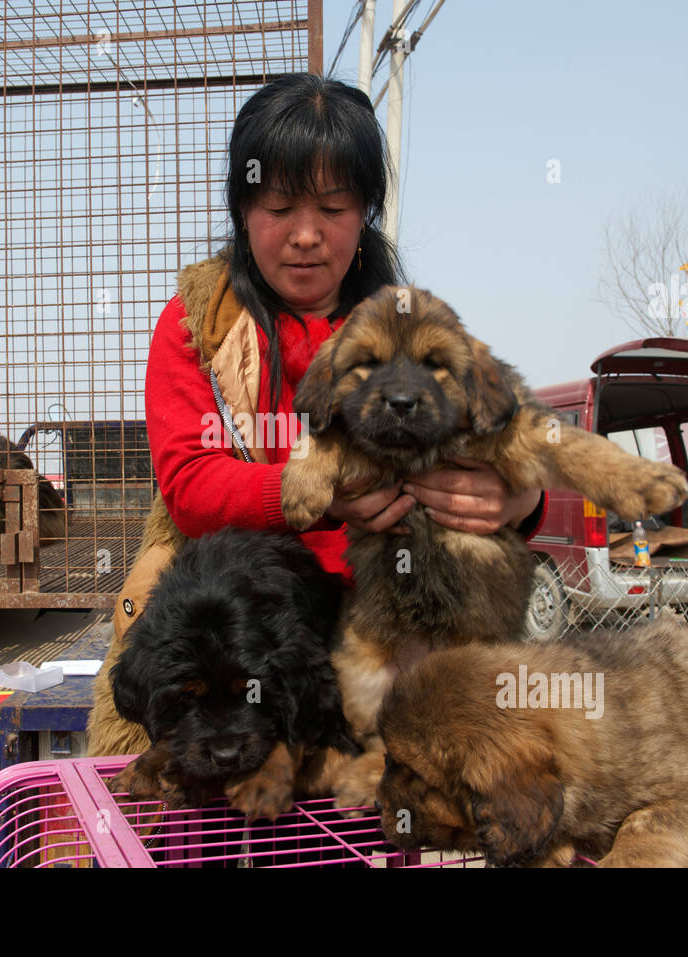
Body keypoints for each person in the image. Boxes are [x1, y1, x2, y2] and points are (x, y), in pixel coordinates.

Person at [88, 73, 545, 757]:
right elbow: (190, 486)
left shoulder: (409, 331)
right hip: (243, 633)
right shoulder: (197, 325)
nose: (306, 235)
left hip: (388, 621)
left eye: (333, 207)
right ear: (243, 208)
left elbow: (502, 431)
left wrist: (517, 497)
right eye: (279, 206)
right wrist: (324, 497)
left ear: (364, 212)